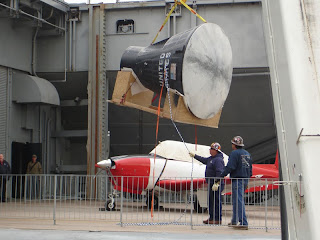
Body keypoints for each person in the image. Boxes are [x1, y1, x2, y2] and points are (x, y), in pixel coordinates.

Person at [219, 136, 252, 230]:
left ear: (234, 145)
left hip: (237, 179)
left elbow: (230, 166)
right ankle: (234, 221)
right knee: (237, 200)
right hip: (245, 179)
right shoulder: (247, 153)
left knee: (238, 201)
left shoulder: (234, 153)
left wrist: (222, 175)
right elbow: (250, 169)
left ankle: (243, 222)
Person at [189, 142, 225, 224]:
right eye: (210, 149)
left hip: (216, 184)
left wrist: (217, 183)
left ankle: (217, 219)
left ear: (216, 150)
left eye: (212, 149)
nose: (210, 150)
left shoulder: (218, 160)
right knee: (211, 201)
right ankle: (212, 218)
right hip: (211, 183)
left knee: (216, 201)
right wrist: (195, 156)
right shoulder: (211, 159)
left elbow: (219, 172)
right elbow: (204, 160)